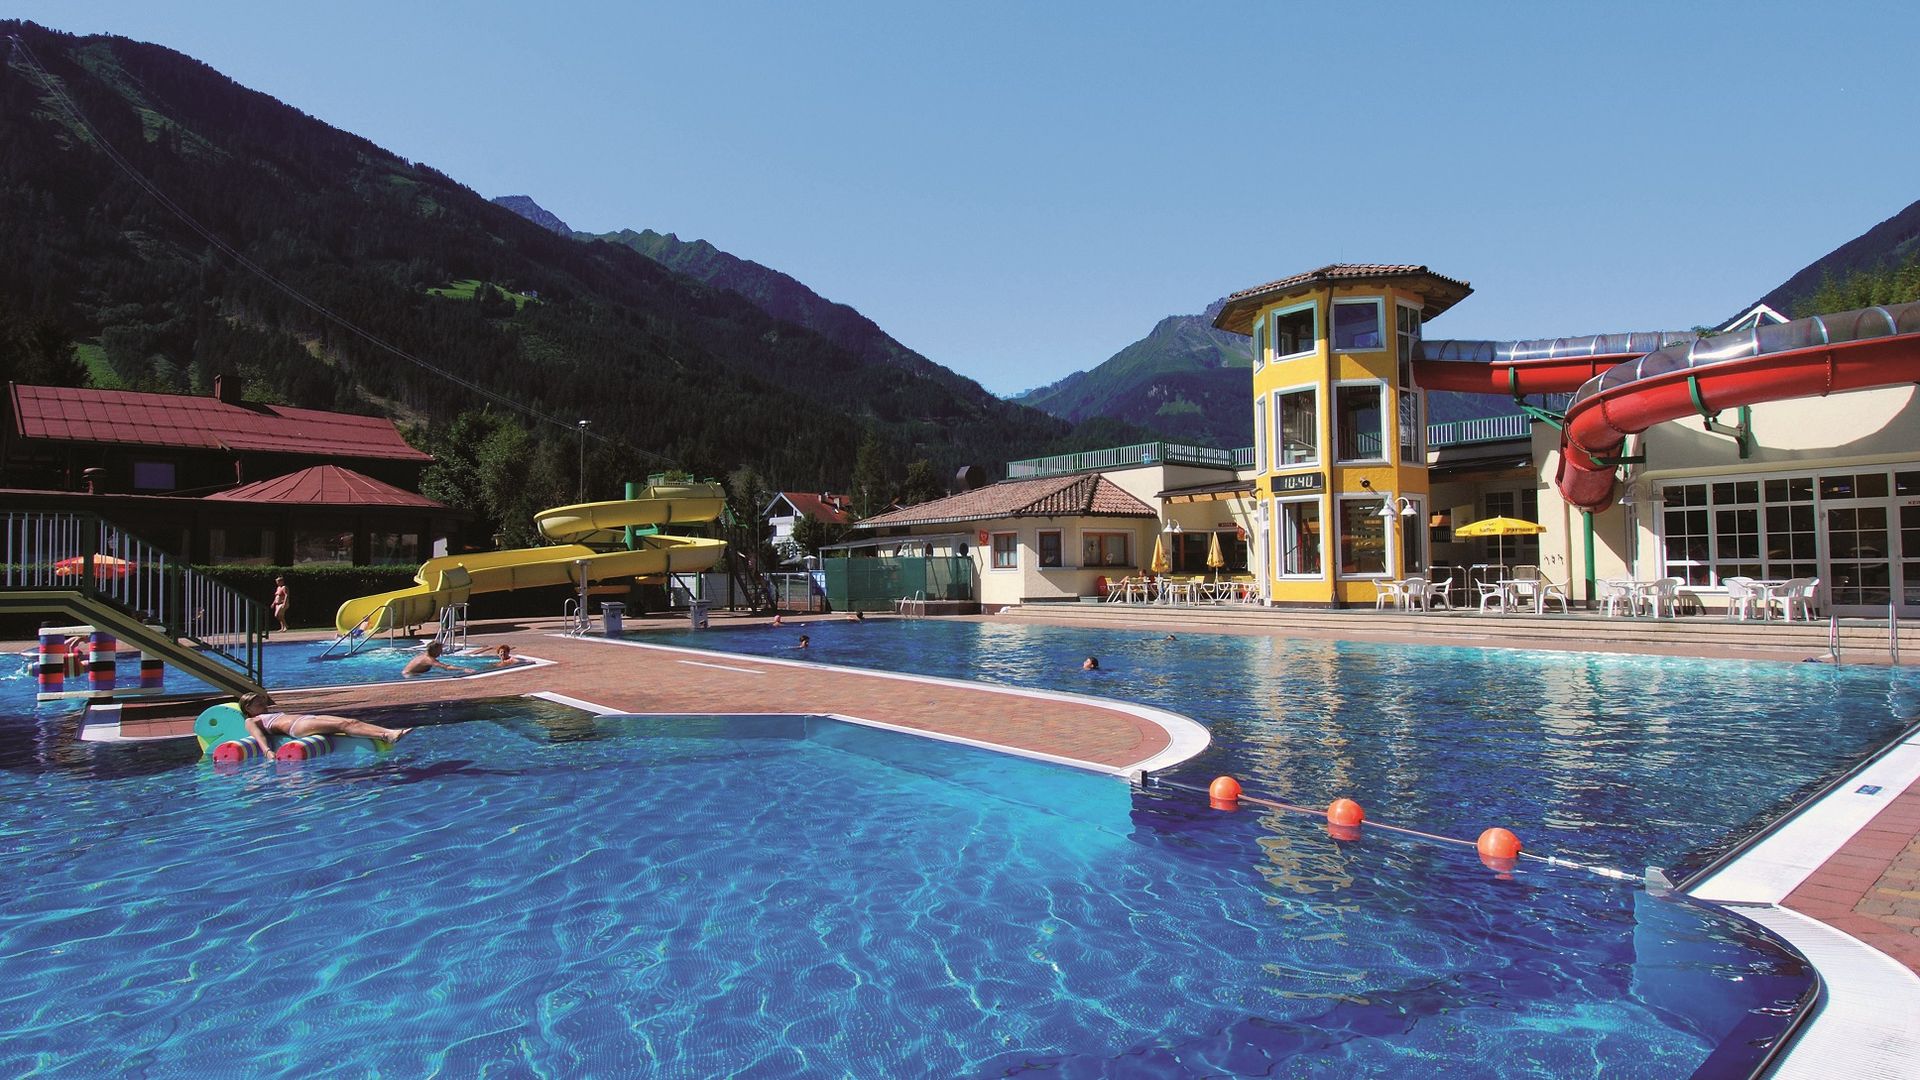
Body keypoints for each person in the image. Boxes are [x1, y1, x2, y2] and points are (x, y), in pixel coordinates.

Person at [240, 691, 411, 757]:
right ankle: (386, 735)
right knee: (343, 725)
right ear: (248, 707)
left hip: (307, 719)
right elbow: (258, 735)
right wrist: (268, 751)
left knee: (350, 721)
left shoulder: (267, 714)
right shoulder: (251, 720)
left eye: (262, 701)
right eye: (258, 703)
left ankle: (389, 732)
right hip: (297, 727)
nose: (264, 704)